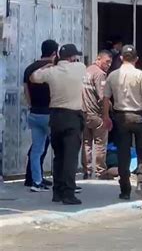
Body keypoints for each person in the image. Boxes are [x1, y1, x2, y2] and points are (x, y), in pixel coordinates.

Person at [102, 45, 142, 200]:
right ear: (136, 59)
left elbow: (106, 99)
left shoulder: (112, 75)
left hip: (120, 117)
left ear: (121, 58)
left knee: (123, 154)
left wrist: (106, 117)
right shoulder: (141, 75)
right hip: (138, 117)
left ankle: (125, 189)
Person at [30, 44, 86, 205]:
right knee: (70, 158)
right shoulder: (80, 67)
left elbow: (34, 77)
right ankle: (68, 193)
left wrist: (50, 64)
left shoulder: (51, 72)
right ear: (72, 57)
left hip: (55, 117)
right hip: (72, 117)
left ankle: (57, 192)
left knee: (59, 156)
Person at [23, 39, 58, 191]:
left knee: (37, 150)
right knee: (60, 149)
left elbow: (26, 91)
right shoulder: (52, 69)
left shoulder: (29, 68)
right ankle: (62, 181)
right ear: (54, 53)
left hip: (34, 113)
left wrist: (31, 105)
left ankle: (36, 181)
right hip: (49, 113)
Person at [82, 50, 113, 179]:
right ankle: (101, 171)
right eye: (107, 62)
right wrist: (111, 109)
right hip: (96, 114)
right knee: (100, 143)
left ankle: (87, 170)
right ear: (98, 59)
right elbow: (103, 97)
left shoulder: (86, 70)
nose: (109, 65)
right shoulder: (100, 74)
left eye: (110, 62)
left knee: (86, 143)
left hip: (83, 113)